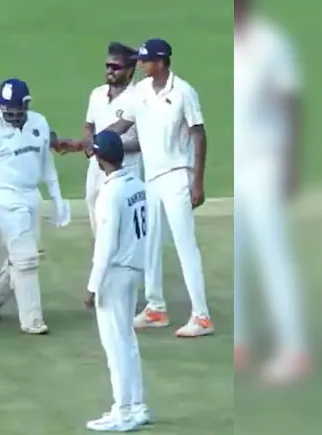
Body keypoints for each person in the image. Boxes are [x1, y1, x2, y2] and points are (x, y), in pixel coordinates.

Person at [95, 38, 214, 337]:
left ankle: (202, 316)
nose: (140, 64)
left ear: (160, 62)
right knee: (149, 244)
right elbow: (122, 125)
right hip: (152, 178)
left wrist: (198, 181)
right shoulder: (141, 92)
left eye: (145, 60)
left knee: (185, 245)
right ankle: (155, 307)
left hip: (177, 175)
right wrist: (96, 142)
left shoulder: (183, 92)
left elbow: (199, 135)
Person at [234, 0, 309, 384]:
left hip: (264, 162)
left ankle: (294, 348)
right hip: (236, 163)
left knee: (272, 256)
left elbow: (292, 102)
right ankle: (240, 341)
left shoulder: (269, 43)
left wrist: (291, 163)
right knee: (237, 256)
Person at [0, 78, 70, 334]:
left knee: (23, 257)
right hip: (5, 196)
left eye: (16, 110)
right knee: (26, 258)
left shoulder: (39, 123)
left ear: (26, 105)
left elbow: (46, 164)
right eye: (7, 110)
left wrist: (57, 198)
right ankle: (32, 320)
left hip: (32, 195)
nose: (11, 116)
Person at [83, 131, 150, 432]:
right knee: (127, 340)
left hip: (116, 272)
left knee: (115, 345)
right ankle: (137, 406)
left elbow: (105, 245)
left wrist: (92, 287)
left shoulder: (110, 194)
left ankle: (122, 412)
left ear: (100, 159)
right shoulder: (138, 185)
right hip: (134, 266)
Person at [64, 42, 141, 235]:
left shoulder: (138, 97)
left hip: (126, 167)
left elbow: (143, 140)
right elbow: (89, 125)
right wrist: (89, 143)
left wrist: (111, 148)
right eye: (108, 66)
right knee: (94, 207)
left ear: (130, 70)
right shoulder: (97, 94)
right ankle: (102, 249)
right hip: (96, 165)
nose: (110, 71)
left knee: (119, 216)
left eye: (116, 67)